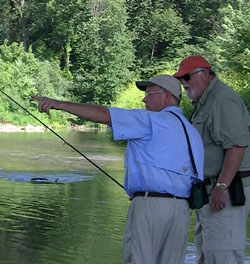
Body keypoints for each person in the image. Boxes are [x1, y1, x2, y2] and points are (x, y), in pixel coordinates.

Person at [32, 75, 204, 264]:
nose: (144, 100)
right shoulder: (192, 131)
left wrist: (58, 104)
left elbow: (105, 115)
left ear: (167, 96)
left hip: (150, 208)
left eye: (149, 94)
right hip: (181, 211)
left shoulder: (151, 120)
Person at [174, 55, 250, 264]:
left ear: (205, 74)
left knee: (223, 256)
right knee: (207, 256)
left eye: (187, 77)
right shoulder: (205, 100)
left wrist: (222, 187)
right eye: (180, 79)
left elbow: (236, 147)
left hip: (226, 193)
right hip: (208, 194)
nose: (183, 83)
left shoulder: (222, 100)